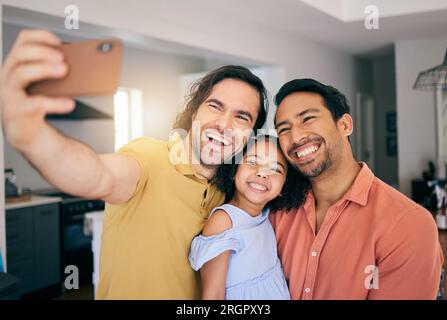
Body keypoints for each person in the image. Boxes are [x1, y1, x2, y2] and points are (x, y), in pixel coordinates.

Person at [0, 29, 268, 299]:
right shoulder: (149, 157)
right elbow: (96, 175)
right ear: (194, 110)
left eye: (242, 116)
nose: (224, 124)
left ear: (251, 134)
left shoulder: (229, 191)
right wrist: (31, 136)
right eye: (215, 106)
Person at [271, 78, 444, 299]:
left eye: (308, 119)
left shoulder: (409, 225)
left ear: (345, 125)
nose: (295, 137)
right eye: (284, 129)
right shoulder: (277, 210)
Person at [189, 135, 308, 299]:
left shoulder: (265, 217)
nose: (262, 173)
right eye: (252, 162)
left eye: (275, 169)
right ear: (234, 170)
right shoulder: (224, 221)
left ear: (284, 187)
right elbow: (213, 295)